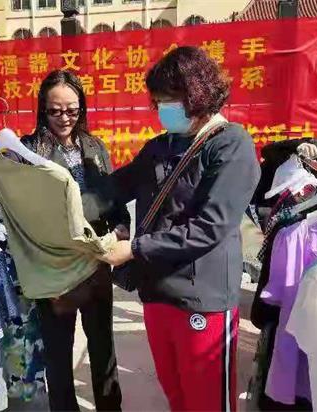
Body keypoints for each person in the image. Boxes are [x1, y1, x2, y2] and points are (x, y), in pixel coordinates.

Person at [99, 46, 260, 411]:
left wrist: (134, 249)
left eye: (169, 99)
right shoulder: (159, 147)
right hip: (157, 293)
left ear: (197, 94)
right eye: (158, 101)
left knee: (207, 400)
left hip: (202, 297)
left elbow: (210, 227)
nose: (162, 109)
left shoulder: (230, 144)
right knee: (177, 395)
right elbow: (112, 188)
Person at [0, 70, 123, 411]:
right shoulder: (26, 149)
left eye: (72, 110)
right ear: (42, 109)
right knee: (58, 356)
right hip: (53, 267)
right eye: (55, 111)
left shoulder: (95, 147)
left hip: (95, 261)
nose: (64, 118)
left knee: (103, 351)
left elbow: (112, 196)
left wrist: (121, 229)